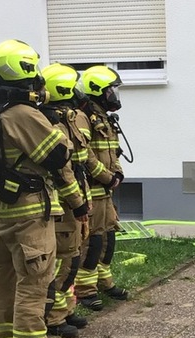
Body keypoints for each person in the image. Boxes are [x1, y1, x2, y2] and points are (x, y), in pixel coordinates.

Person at [0, 39, 87, 338]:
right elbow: (57, 155)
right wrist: (53, 123)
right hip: (28, 213)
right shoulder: (22, 114)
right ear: (24, 68)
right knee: (33, 284)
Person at [39, 63, 94, 338]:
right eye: (73, 86)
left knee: (72, 258)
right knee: (63, 261)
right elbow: (63, 170)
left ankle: (65, 309)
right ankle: (53, 317)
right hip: (64, 204)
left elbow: (82, 159)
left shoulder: (69, 118)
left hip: (77, 198)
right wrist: (77, 202)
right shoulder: (54, 123)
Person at [73, 65, 128, 311]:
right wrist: (106, 177)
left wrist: (117, 173)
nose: (114, 96)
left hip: (106, 192)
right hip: (93, 191)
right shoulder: (82, 117)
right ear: (97, 91)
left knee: (109, 239)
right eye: (110, 91)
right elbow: (84, 155)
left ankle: (104, 281)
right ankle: (85, 290)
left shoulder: (104, 118)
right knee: (92, 242)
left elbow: (113, 151)